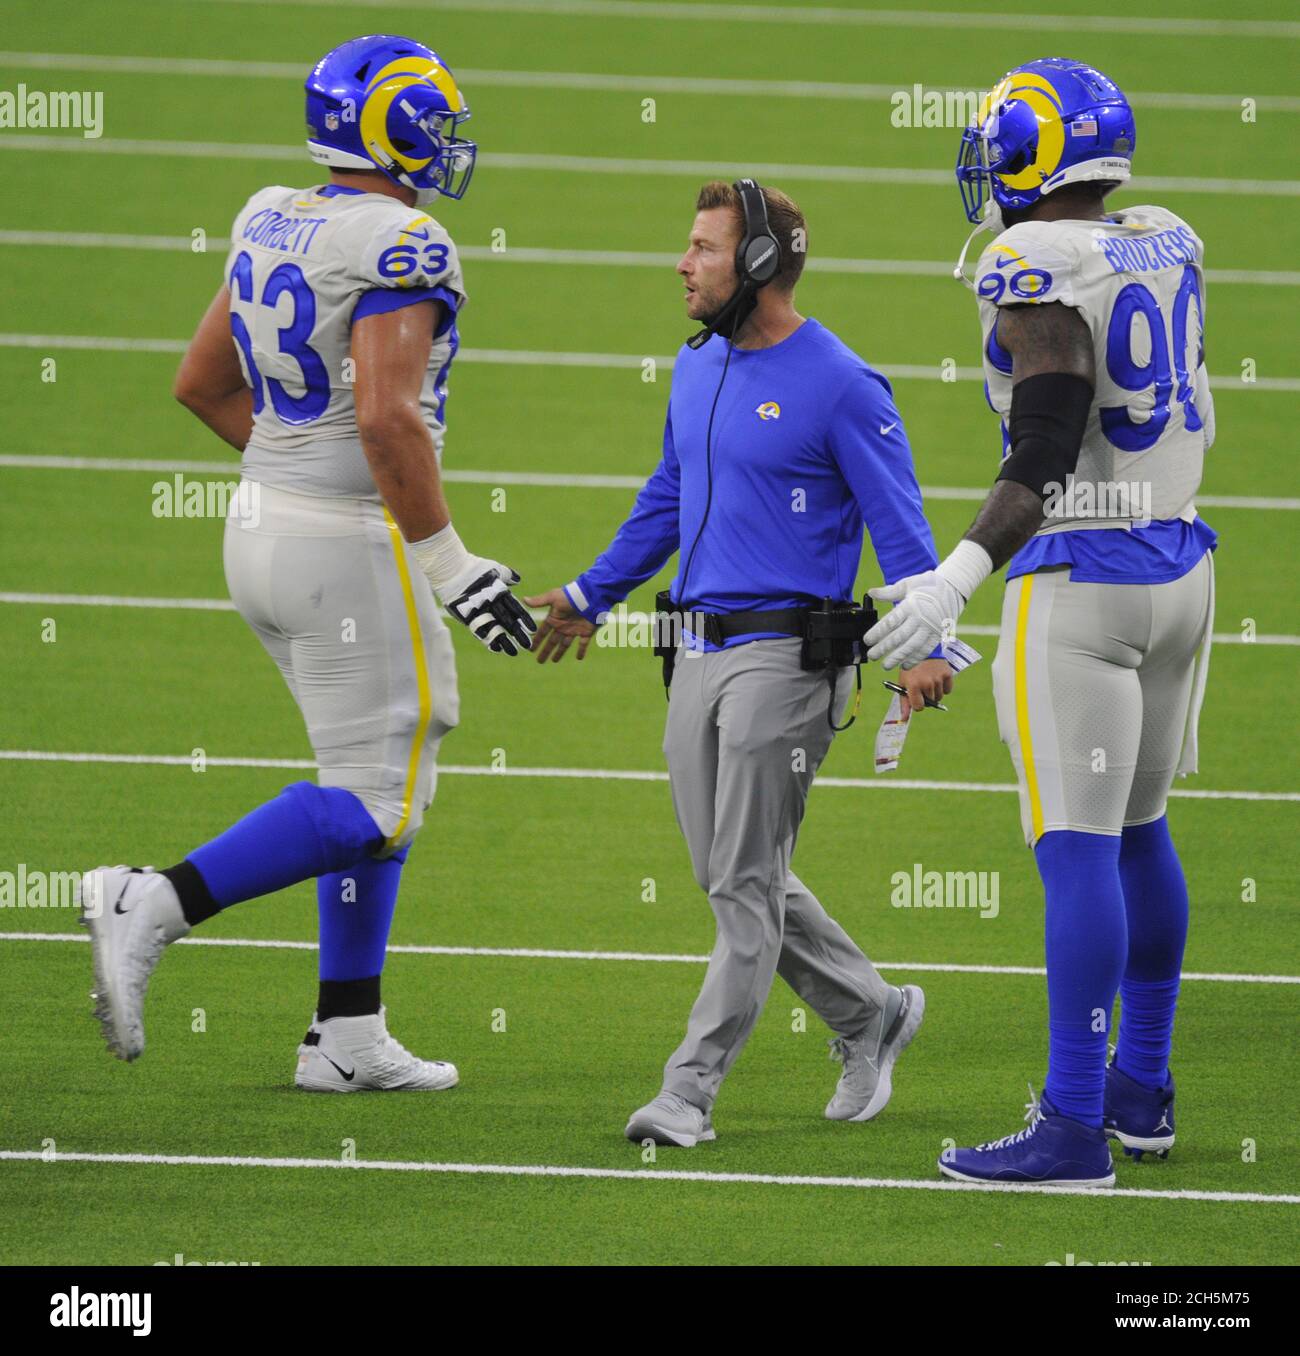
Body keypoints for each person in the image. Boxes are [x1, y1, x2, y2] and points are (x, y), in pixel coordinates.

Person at [79, 35, 535, 1092]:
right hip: (347, 550)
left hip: (260, 531)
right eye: (435, 116)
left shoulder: (272, 214)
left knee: (366, 782)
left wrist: (296, 477)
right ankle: (155, 898)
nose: (449, 139)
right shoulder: (402, 240)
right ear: (392, 122)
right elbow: (386, 418)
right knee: (380, 802)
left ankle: (346, 1035)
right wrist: (450, 562)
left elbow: (200, 382)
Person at [527, 179, 955, 1147]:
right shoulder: (700, 366)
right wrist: (594, 595)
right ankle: (869, 1013)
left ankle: (687, 1091)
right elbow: (668, 493)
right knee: (734, 875)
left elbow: (903, 527)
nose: (681, 264)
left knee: (742, 882)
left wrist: (931, 646)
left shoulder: (843, 383)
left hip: (789, 664)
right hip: (693, 654)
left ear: (756, 265)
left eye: (702, 249)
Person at [864, 58, 1216, 1186]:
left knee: (1075, 854)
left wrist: (952, 577)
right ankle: (1141, 1091)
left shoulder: (1033, 259)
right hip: (1182, 565)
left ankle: (1071, 1126)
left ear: (1028, 153)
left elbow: (1049, 437)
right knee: (1141, 832)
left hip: (1081, 582)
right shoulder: (1162, 233)